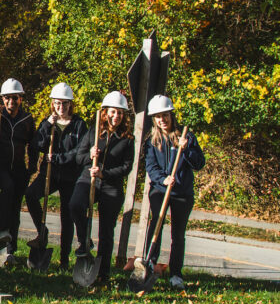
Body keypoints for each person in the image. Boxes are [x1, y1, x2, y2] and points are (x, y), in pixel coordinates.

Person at [69, 91, 135, 282]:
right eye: (113, 112)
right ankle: (84, 240)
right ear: (105, 113)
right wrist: (90, 154)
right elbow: (78, 158)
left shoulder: (127, 139)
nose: (116, 116)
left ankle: (103, 272)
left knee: (106, 231)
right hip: (88, 180)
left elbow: (126, 167)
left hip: (111, 185)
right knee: (75, 205)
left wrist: (104, 173)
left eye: (120, 113)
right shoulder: (94, 132)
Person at [143, 94, 205, 290]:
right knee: (156, 226)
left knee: (178, 234)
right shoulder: (152, 140)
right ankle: (150, 264)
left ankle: (176, 274)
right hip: (160, 190)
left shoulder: (186, 137)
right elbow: (151, 166)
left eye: (165, 115)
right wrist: (163, 178)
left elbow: (199, 164)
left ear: (171, 115)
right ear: (154, 119)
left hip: (182, 193)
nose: (162, 120)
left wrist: (186, 150)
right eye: (158, 117)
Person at [24, 83, 88, 270]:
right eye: (58, 103)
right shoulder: (48, 122)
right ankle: (41, 231)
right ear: (53, 103)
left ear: (70, 104)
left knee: (67, 217)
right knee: (30, 194)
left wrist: (59, 158)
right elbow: (37, 144)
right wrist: (46, 126)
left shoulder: (79, 125)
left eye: (65, 104)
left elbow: (79, 152)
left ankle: (64, 258)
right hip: (49, 173)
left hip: (69, 175)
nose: (61, 107)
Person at [0, 78, 38, 261]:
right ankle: (2, 232)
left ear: (20, 99)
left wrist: (32, 166)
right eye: (7, 98)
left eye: (14, 98)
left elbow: (33, 144)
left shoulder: (27, 119)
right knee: (7, 188)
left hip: (19, 167)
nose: (11, 102)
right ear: (2, 99)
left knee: (15, 206)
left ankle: (10, 248)